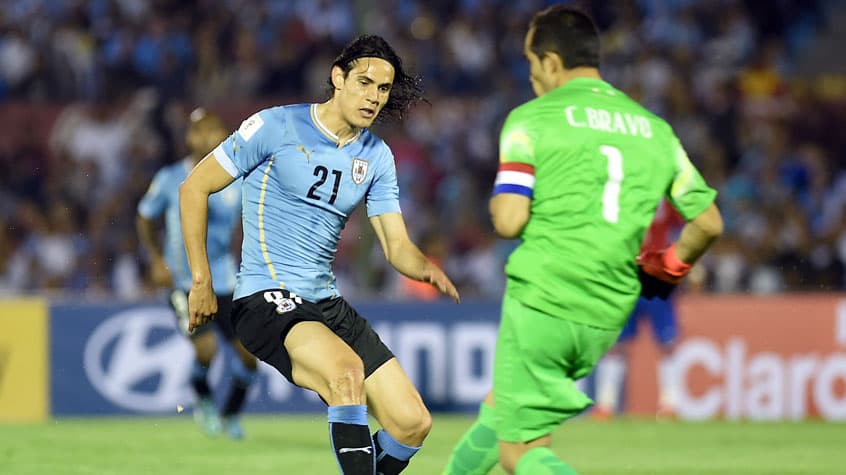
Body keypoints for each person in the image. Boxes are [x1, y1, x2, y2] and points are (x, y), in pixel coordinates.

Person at [444, 6, 723, 475]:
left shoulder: (531, 119)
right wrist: (667, 268)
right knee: (501, 411)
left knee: (521, 453)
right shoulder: (655, 130)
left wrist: (497, 204)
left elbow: (510, 221)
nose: (531, 77)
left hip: (545, 298)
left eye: (532, 66)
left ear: (551, 62)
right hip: (607, 310)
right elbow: (709, 222)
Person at [179, 35, 459, 475]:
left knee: (411, 423)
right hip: (265, 298)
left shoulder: (376, 156)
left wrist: (425, 267)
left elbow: (397, 246)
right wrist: (201, 281)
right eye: (364, 83)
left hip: (324, 303)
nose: (373, 98)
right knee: (345, 372)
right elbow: (193, 186)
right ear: (337, 77)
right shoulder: (276, 127)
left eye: (383, 90)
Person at [136, 108, 258, 439]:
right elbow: (145, 217)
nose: (208, 137)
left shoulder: (237, 179)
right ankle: (204, 400)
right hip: (184, 281)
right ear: (189, 137)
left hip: (227, 280)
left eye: (215, 130)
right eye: (200, 131)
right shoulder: (169, 177)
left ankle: (231, 414)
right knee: (207, 350)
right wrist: (155, 259)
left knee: (249, 356)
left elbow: (256, 221)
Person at [593, 199, 687, 420]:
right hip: (627, 277)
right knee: (616, 344)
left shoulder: (666, 198)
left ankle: (670, 404)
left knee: (667, 342)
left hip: (657, 276)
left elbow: (684, 224)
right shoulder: (623, 191)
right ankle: (606, 405)